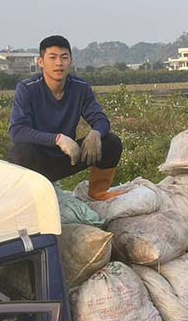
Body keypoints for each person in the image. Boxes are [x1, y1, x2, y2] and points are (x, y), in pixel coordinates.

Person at [7, 35, 123, 200]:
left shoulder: (80, 88)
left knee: (111, 142)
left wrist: (96, 133)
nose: (59, 63)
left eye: (64, 57)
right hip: (38, 160)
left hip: (70, 157)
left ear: (71, 61)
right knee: (20, 152)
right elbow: (17, 131)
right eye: (52, 57)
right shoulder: (27, 88)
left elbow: (101, 120)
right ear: (41, 62)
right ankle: (29, 200)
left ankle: (98, 193)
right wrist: (58, 139)